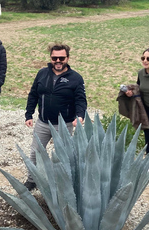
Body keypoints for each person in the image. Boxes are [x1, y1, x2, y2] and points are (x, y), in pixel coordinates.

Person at [23, 44, 86, 191]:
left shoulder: (76, 78)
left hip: (63, 125)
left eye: (61, 58)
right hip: (43, 122)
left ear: (67, 58)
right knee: (35, 152)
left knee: (62, 156)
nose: (58, 60)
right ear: (50, 58)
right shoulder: (42, 73)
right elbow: (33, 94)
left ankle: (60, 184)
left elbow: (81, 100)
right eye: (54, 58)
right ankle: (32, 180)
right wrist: (29, 114)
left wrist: (80, 116)